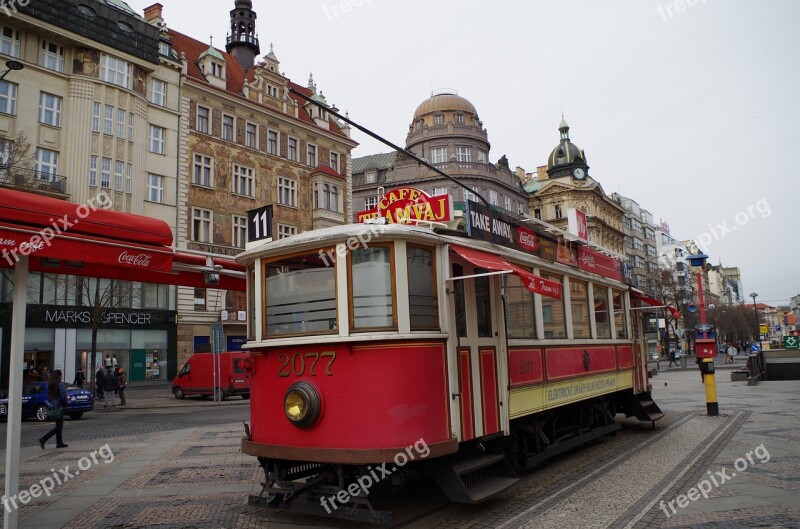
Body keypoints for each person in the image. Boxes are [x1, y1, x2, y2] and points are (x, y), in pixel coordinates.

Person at [38, 371, 68, 449]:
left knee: (58, 425)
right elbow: (63, 395)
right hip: (59, 406)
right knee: (59, 427)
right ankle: (43, 439)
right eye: (62, 375)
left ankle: (59, 442)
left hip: (53, 405)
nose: (62, 376)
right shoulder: (60, 384)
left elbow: (49, 396)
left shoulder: (51, 383)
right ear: (59, 376)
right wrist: (65, 403)